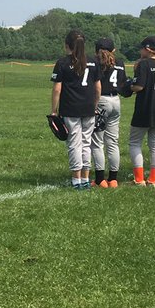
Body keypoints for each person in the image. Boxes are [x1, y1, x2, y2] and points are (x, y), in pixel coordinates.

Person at [50, 30, 100, 189]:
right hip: (88, 108)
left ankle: (76, 179)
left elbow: (57, 89)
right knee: (86, 143)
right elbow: (98, 87)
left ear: (67, 45)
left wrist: (53, 110)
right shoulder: (93, 61)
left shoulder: (63, 63)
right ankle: (85, 179)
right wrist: (95, 105)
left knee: (74, 144)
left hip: (70, 108)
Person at [128, 36, 155, 187]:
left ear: (147, 49)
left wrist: (129, 86)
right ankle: (153, 180)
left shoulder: (144, 64)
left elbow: (139, 86)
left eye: (141, 48)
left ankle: (139, 179)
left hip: (146, 108)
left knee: (135, 142)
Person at [91, 37, 129, 188]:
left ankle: (100, 179)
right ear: (113, 50)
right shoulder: (119, 63)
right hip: (115, 101)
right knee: (113, 142)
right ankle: (113, 179)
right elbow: (123, 84)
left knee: (97, 142)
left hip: (101, 100)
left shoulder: (96, 63)